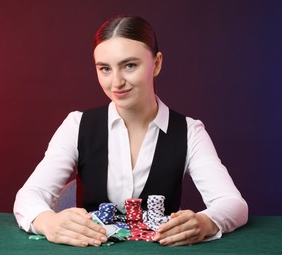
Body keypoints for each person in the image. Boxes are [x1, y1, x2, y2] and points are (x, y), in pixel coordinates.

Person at [13, 15, 248, 247]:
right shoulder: (76, 125)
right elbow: (29, 195)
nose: (116, 82)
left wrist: (206, 222)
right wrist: (47, 222)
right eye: (105, 69)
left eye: (130, 65)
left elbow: (233, 203)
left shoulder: (189, 131)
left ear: (156, 64)